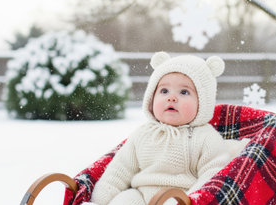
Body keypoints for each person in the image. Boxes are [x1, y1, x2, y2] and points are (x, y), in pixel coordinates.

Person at [85, 51, 236, 205]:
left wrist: (190, 200)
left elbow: (212, 176)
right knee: (124, 200)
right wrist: (103, 195)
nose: (171, 97)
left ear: (203, 103)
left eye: (184, 92)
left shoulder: (205, 137)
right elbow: (121, 168)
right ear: (151, 97)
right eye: (164, 91)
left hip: (180, 196)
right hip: (141, 195)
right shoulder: (143, 133)